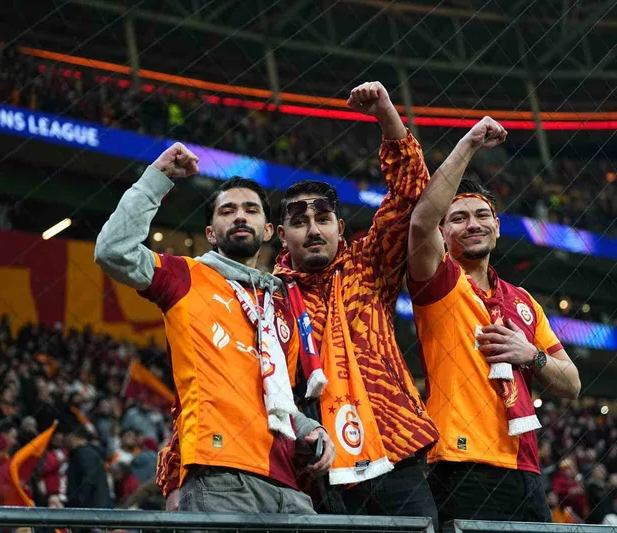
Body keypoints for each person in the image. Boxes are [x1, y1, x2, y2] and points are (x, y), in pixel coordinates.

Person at [156, 81, 440, 525]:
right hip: (318, 470)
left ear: (340, 228)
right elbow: (223, 379)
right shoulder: (265, 298)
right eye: (299, 221)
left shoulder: (371, 267)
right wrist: (175, 474)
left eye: (322, 218)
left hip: (396, 455)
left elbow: (410, 194)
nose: (312, 229)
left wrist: (386, 114)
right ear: (280, 234)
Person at [95, 142, 334, 514]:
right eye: (227, 210)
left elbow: (277, 399)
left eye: (250, 210)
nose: (239, 217)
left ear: (268, 231)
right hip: (220, 475)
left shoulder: (281, 306)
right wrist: (157, 178)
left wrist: (309, 429)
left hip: (288, 484)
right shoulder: (184, 277)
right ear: (210, 232)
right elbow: (114, 251)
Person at [406, 116, 581, 523]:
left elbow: (572, 383)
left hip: (526, 469)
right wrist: (468, 143)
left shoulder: (523, 301)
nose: (473, 224)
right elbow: (420, 221)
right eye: (458, 218)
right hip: (461, 464)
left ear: (497, 228)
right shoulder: (439, 283)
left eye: (482, 215)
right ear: (443, 233)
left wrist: (531, 355)